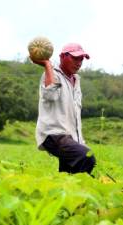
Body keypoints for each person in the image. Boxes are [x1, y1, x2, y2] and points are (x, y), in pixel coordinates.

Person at [31, 43, 96, 174]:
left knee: (68, 174)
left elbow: (75, 115)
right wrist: (47, 65)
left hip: (69, 136)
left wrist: (80, 141)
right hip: (54, 134)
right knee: (87, 156)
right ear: (62, 57)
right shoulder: (51, 74)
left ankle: (69, 191)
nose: (79, 63)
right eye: (75, 58)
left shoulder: (76, 81)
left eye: (81, 59)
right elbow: (50, 94)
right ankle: (82, 189)